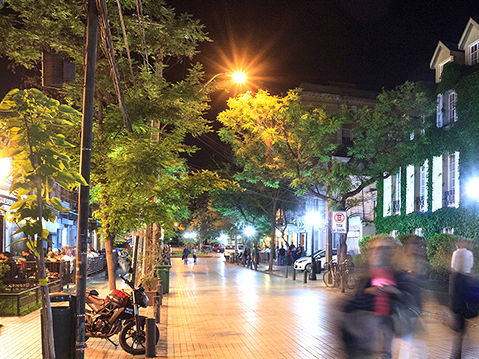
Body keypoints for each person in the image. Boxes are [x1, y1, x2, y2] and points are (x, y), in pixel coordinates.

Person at [449, 240, 475, 359]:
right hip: (465, 305)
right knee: (461, 332)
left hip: (459, 305)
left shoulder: (456, 254)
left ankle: (457, 355)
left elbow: (453, 268)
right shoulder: (469, 254)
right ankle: (458, 354)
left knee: (459, 332)